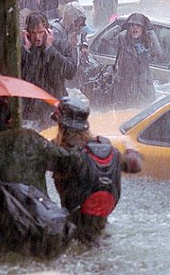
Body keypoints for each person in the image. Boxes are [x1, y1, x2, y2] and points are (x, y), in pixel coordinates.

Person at [0, 98, 76, 256]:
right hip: (39, 222)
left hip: (4, 229)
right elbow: (66, 160)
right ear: (10, 120)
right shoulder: (31, 137)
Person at [51, 96, 142, 244]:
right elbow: (135, 165)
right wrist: (130, 148)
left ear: (61, 125)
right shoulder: (106, 149)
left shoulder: (61, 151)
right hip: (100, 225)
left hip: (73, 227)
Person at [21, 11, 77, 127]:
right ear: (27, 33)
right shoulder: (23, 49)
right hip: (30, 112)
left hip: (54, 108)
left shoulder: (60, 46)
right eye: (33, 33)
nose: (37, 37)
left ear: (47, 31)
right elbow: (16, 78)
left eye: (41, 32)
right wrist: (25, 51)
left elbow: (70, 72)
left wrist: (50, 50)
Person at [112, 12, 162, 107]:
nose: (135, 28)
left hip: (143, 90)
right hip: (124, 89)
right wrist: (120, 27)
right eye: (132, 25)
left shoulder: (147, 41)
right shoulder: (122, 39)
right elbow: (105, 39)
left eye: (138, 25)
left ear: (143, 29)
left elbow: (159, 53)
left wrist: (151, 32)